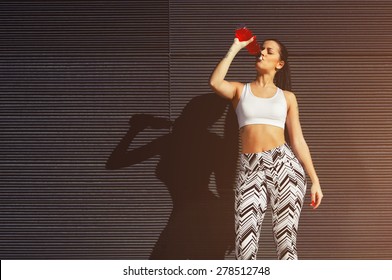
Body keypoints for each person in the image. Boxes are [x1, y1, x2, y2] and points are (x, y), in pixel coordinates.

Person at [209, 35, 323, 260]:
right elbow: (215, 82)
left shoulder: (287, 98)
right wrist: (235, 47)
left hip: (284, 166)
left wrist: (315, 179)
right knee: (245, 246)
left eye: (269, 51)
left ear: (279, 64)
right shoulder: (240, 91)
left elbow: (298, 140)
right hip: (250, 168)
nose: (262, 53)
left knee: (286, 244)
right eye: (261, 49)